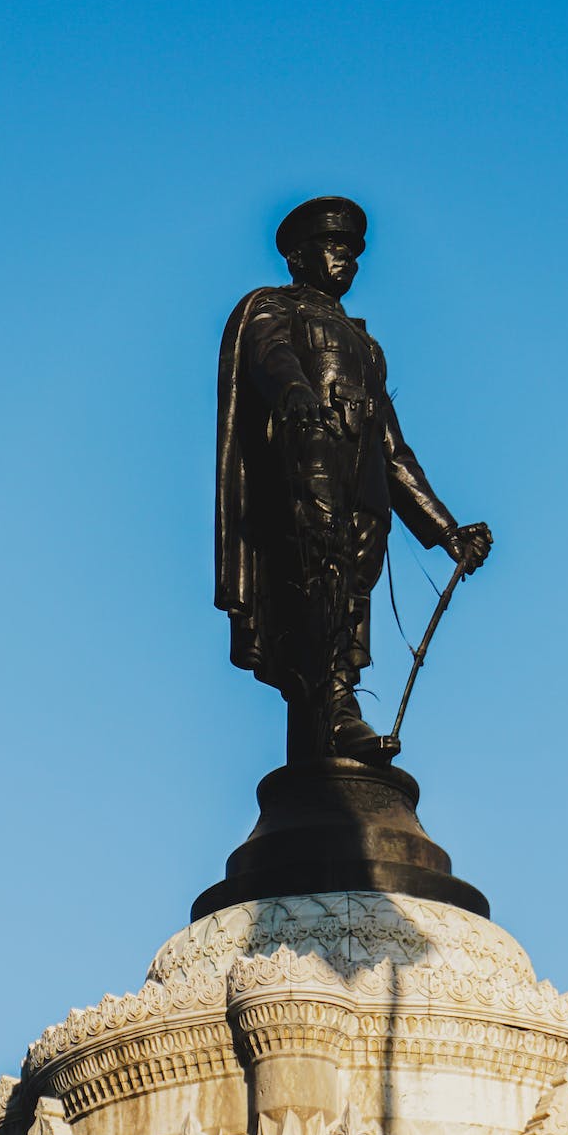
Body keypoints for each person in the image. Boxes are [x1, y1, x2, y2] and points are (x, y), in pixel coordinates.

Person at [215, 196, 491, 763]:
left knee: (352, 597)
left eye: (354, 252)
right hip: (304, 479)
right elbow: (271, 359)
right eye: (334, 246)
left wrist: (446, 531)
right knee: (321, 585)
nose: (348, 259)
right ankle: (335, 713)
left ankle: (337, 707)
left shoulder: (366, 346)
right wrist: (294, 394)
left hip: (363, 494)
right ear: (296, 256)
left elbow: (393, 449)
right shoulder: (274, 306)